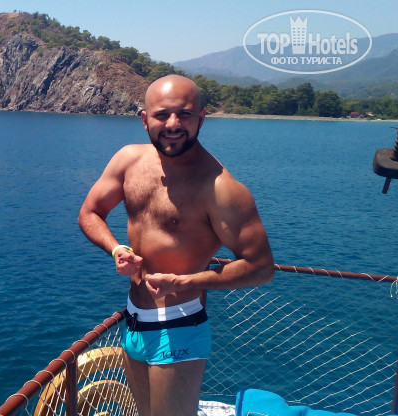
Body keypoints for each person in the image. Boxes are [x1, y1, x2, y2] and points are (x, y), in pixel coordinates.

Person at [78, 74, 274, 416]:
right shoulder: (128, 161)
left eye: (184, 114)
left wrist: (184, 282)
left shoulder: (221, 189)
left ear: (201, 118)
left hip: (179, 324)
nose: (172, 124)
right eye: (161, 115)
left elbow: (261, 268)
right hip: (133, 318)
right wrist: (116, 249)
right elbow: (90, 212)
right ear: (144, 119)